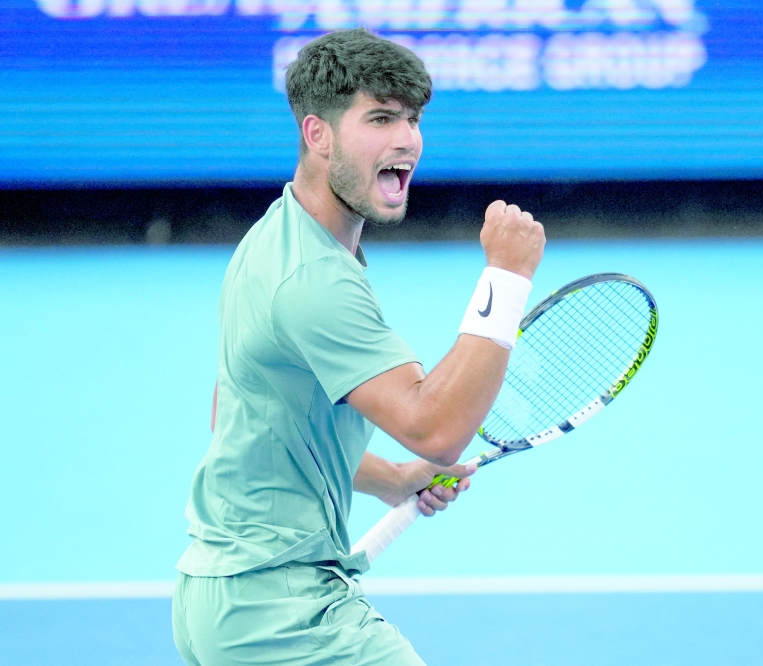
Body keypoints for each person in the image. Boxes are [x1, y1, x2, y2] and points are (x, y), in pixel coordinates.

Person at [171, 28, 546, 666]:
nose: (406, 139)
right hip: (279, 614)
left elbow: (240, 421)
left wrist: (393, 479)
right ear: (318, 135)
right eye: (379, 118)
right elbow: (436, 427)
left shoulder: (279, 237)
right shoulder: (315, 280)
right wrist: (506, 280)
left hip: (226, 603)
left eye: (412, 118)